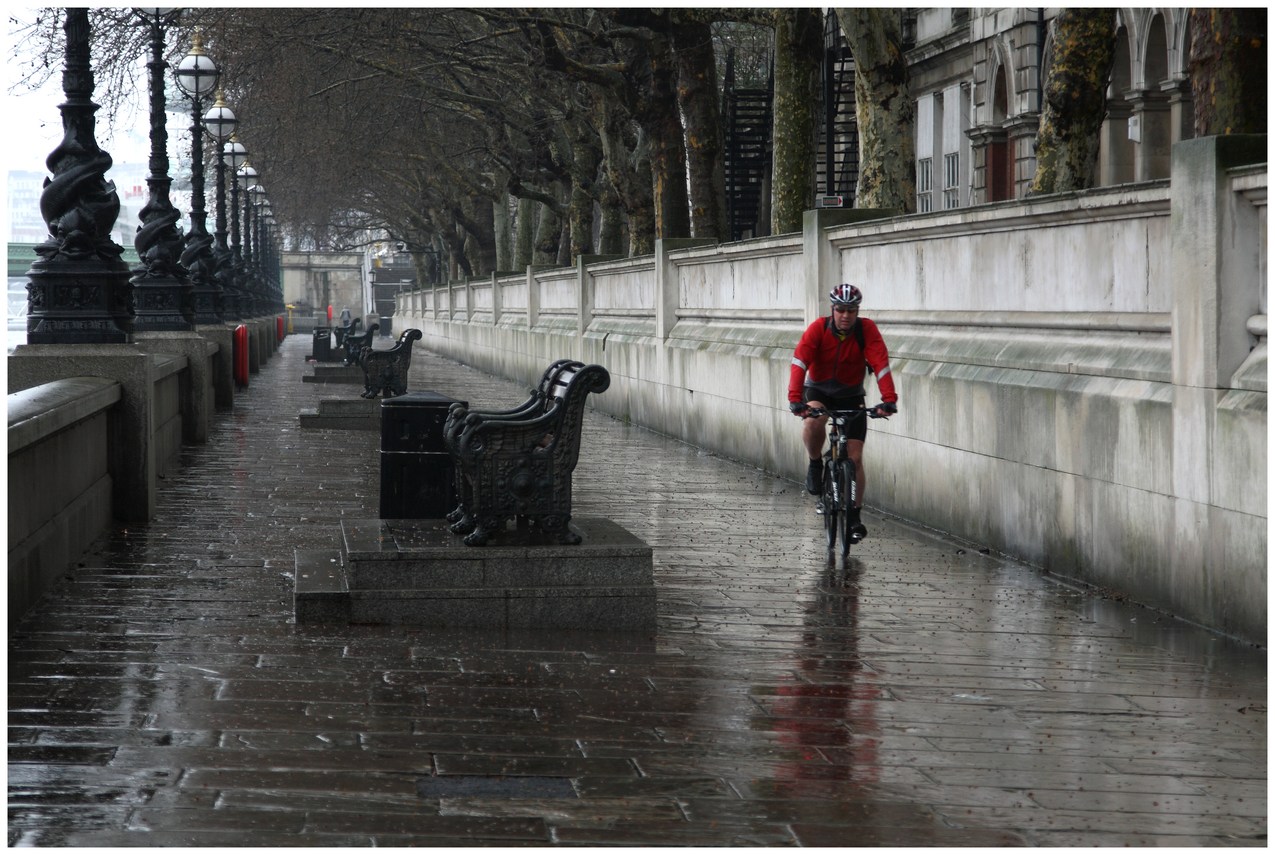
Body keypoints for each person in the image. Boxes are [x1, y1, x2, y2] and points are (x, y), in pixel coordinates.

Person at [788, 284, 897, 542]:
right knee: (814, 420)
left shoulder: (866, 329)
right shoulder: (818, 328)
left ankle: (855, 517)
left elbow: (880, 363)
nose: (846, 316)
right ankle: (815, 463)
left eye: (851, 310)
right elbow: (799, 361)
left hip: (851, 394)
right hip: (819, 390)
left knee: (856, 458)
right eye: (841, 310)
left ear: (857, 311)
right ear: (832, 309)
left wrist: (889, 400)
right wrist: (795, 400)